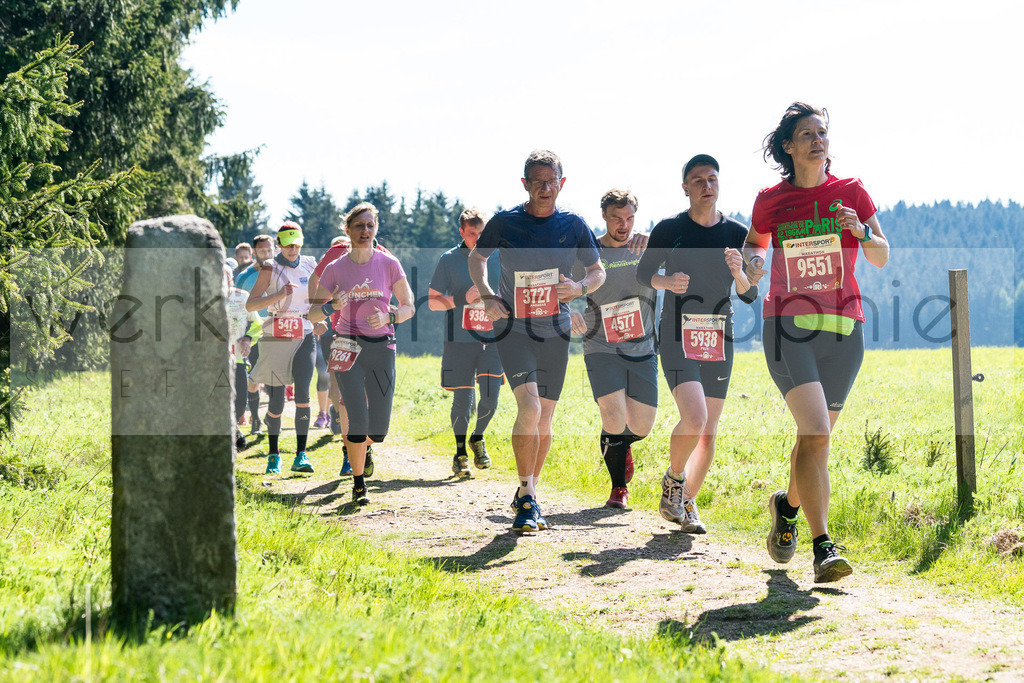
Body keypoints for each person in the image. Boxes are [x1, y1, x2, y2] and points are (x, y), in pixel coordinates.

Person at [742, 103, 889, 583]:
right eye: (806, 134)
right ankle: (823, 546)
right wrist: (752, 265)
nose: (817, 140)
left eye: (822, 132)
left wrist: (861, 230)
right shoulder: (771, 200)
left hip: (844, 332)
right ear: (789, 146)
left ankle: (786, 507)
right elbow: (754, 247)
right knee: (817, 433)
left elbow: (882, 255)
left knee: (815, 440)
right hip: (787, 329)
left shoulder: (850, 192)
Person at [469, 149, 606, 533]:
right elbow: (477, 259)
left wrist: (578, 286)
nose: (545, 188)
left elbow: (598, 272)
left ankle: (528, 489)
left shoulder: (574, 225)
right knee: (529, 408)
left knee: (544, 417)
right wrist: (485, 293)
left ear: (562, 183)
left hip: (556, 330)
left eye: (552, 181)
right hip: (513, 328)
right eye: (537, 181)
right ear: (525, 184)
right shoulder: (505, 222)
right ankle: (527, 498)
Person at [637, 154, 758, 534]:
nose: (707, 185)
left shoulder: (737, 232)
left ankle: (687, 501)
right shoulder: (669, 229)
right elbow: (644, 275)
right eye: (698, 180)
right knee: (696, 416)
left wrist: (740, 272)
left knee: (709, 428)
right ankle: (673, 482)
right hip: (676, 333)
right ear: (685, 187)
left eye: (712, 178)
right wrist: (666, 283)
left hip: (719, 336)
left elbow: (751, 294)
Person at [309, 202, 415, 506]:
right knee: (356, 416)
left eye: (370, 225)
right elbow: (313, 311)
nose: (365, 231)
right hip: (346, 345)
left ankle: (361, 446)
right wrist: (331, 307)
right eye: (359, 226)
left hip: (382, 347)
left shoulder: (389, 264)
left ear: (376, 229)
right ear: (348, 231)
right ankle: (358, 483)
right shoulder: (335, 268)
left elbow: (409, 306)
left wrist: (390, 317)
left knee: (378, 429)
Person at [570, 189, 657, 509]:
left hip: (643, 346)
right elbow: (560, 284)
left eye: (630, 218)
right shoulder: (590, 253)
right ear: (604, 216)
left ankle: (620, 445)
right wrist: (569, 311)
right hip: (600, 346)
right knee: (612, 415)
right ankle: (618, 487)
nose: (624, 225)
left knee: (642, 425)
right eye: (617, 218)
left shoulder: (647, 247)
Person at [428, 207, 504, 477]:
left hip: (494, 339)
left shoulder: (499, 257)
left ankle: (478, 436)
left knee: (491, 400)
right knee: (462, 398)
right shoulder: (449, 259)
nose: (477, 239)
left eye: (482, 234)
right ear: (462, 232)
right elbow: (433, 302)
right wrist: (462, 299)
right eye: (472, 234)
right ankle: (460, 453)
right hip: (459, 341)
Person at [245, 221, 318, 475]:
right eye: (287, 245)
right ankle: (273, 455)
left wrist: (320, 318)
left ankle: (301, 454)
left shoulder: (310, 263)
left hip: (305, 334)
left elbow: (320, 297)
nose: (292, 249)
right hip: (276, 336)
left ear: (301, 242)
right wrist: (279, 295)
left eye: (296, 244)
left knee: (302, 395)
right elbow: (251, 305)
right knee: (276, 403)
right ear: (279, 244)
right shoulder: (270, 267)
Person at [235, 234, 275, 434]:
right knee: (254, 379)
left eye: (269, 250)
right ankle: (256, 419)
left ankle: (272, 416)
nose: (266, 254)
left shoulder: (280, 272)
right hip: (253, 334)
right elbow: (237, 307)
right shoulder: (243, 277)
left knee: (276, 379)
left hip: (277, 332)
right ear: (254, 252)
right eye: (262, 251)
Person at [224, 264, 262, 450]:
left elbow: (257, 324)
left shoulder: (242, 297)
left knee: (240, 403)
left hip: (237, 357)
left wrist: (248, 338)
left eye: (225, 276)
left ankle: (235, 427)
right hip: (213, 360)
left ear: (231, 277)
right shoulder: (202, 298)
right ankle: (228, 435)